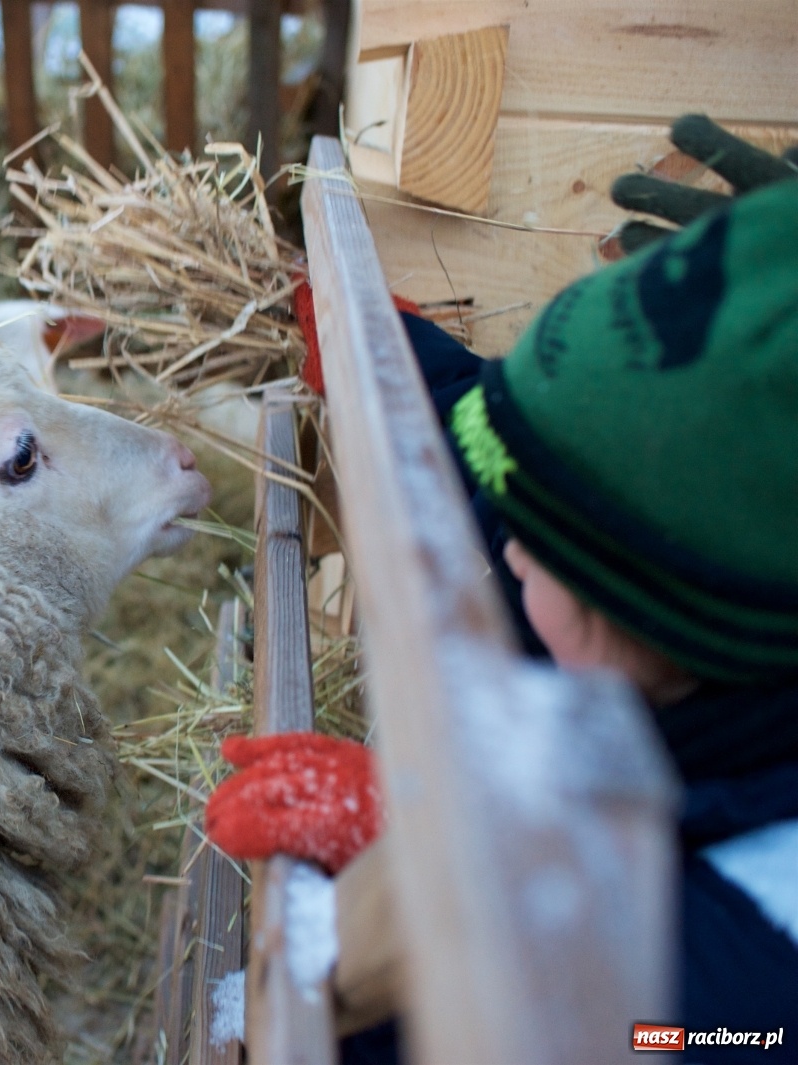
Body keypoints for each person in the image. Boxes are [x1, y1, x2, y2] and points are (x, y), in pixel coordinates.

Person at [207, 162, 798, 1062]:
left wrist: (451, 864)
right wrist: (395, 359)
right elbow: (522, 473)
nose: (506, 550)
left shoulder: (737, 985)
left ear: (656, 611)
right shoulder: (689, 633)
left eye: (538, 540)